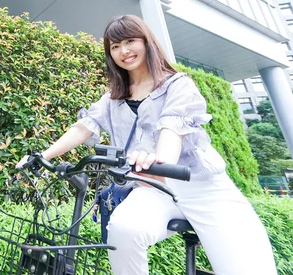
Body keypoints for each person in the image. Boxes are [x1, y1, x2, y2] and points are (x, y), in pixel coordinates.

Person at [16, 15, 276, 275]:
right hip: (150, 188)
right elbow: (84, 127)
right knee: (124, 228)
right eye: (115, 46)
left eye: (130, 41)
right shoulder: (113, 98)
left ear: (147, 42)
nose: (123, 51)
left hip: (200, 186)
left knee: (249, 266)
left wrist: (159, 162)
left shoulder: (177, 85)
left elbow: (172, 129)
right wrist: (41, 155)